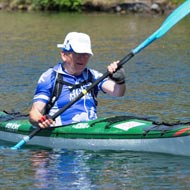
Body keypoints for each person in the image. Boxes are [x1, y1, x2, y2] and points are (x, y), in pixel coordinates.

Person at [29, 32, 126, 128]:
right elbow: (34, 112)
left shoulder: (93, 75)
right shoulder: (50, 77)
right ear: (64, 55)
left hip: (90, 128)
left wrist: (119, 79)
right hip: (61, 130)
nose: (82, 59)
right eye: (77, 54)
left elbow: (118, 92)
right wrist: (41, 120)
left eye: (86, 54)